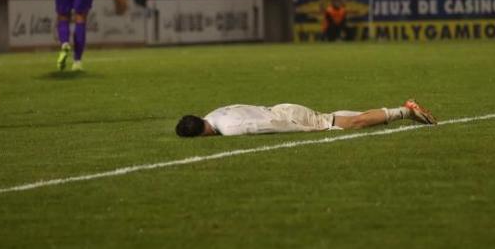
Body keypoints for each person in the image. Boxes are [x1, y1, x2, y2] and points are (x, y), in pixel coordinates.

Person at [175, 99, 436, 137]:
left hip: (285, 116)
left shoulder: (229, 129)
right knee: (335, 118)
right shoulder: (214, 114)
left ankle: (406, 111)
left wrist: (307, 131)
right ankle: (404, 110)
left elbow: (271, 127)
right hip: (280, 107)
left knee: (347, 124)